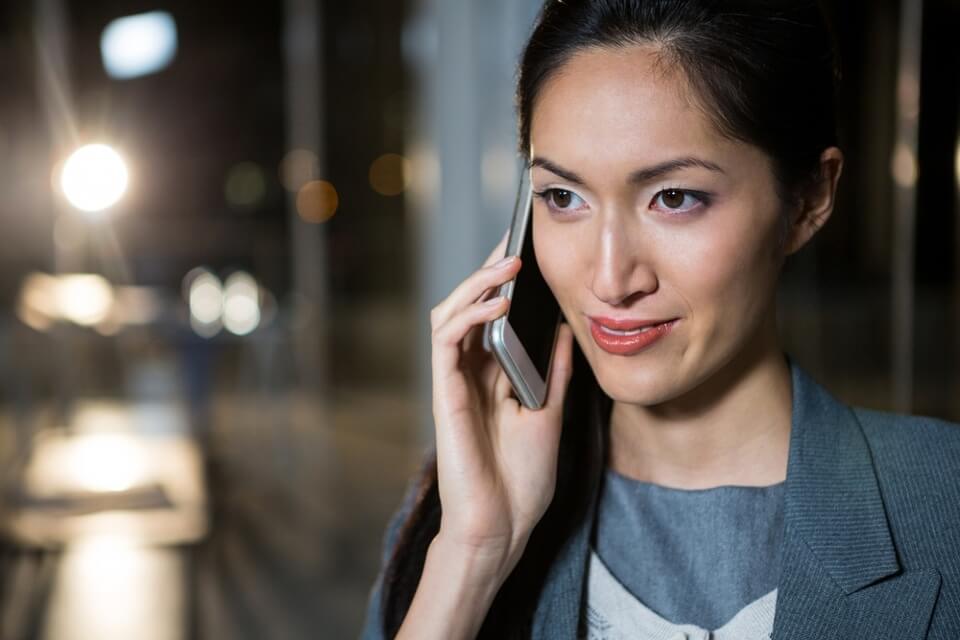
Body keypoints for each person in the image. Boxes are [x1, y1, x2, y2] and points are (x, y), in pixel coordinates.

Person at [361, 1, 960, 638]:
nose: (610, 279)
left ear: (810, 197)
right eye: (563, 197)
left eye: (673, 197)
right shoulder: (456, 518)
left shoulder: (942, 503)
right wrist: (472, 557)